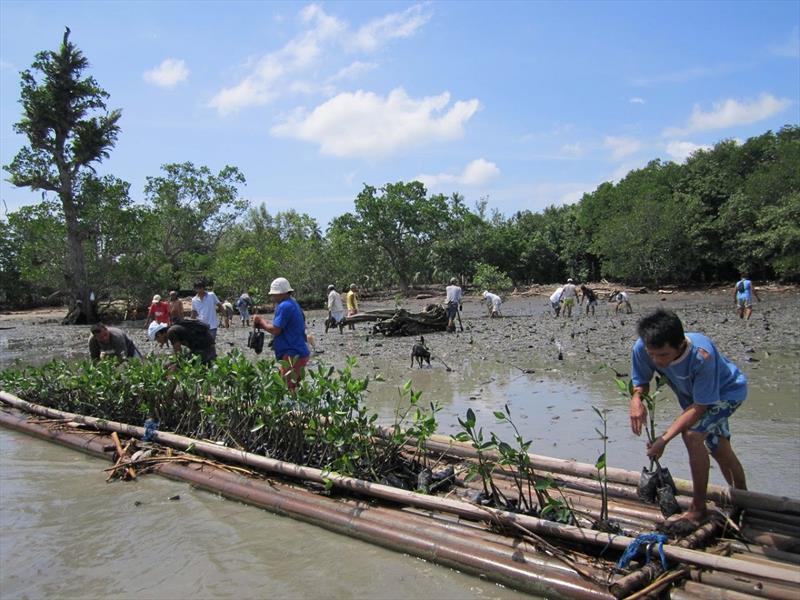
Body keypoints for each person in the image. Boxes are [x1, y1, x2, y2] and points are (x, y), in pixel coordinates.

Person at [629, 308, 748, 528]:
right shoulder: (643, 348)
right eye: (652, 354)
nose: (657, 360)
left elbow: (702, 406)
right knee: (718, 448)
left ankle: (698, 509)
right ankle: (743, 497)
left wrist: (663, 439)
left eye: (663, 355)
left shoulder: (702, 355)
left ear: (680, 344)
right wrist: (636, 399)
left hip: (726, 394)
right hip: (695, 399)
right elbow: (641, 382)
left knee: (693, 436)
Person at [253, 277, 310, 390]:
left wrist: (260, 321)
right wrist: (263, 322)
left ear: (282, 293)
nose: (273, 297)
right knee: (292, 387)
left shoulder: (284, 306)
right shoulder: (292, 303)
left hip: (293, 354)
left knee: (287, 389)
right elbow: (279, 326)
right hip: (297, 352)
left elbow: (275, 330)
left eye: (274, 294)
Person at [148, 320, 217, 365]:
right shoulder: (173, 327)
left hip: (204, 351)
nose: (158, 341)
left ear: (159, 334)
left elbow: (179, 355)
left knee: (174, 366)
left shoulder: (171, 332)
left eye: (156, 339)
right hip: (209, 348)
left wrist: (171, 364)